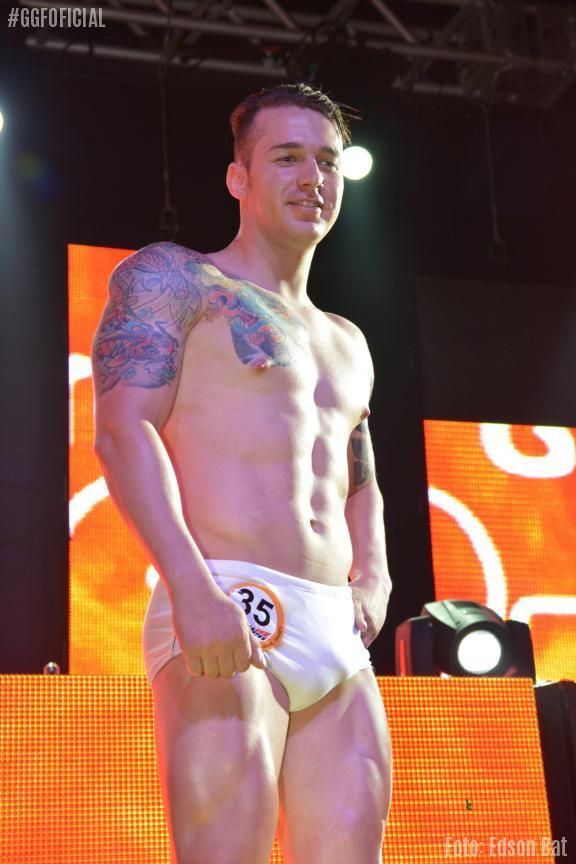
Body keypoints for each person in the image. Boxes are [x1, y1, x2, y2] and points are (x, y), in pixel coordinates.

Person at [91, 82, 392, 864]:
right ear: (239, 177)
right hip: (227, 598)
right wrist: (192, 588)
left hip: (334, 630)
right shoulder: (177, 282)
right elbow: (122, 433)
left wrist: (374, 576)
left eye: (327, 161)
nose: (313, 178)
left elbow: (357, 465)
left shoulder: (348, 339)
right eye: (286, 157)